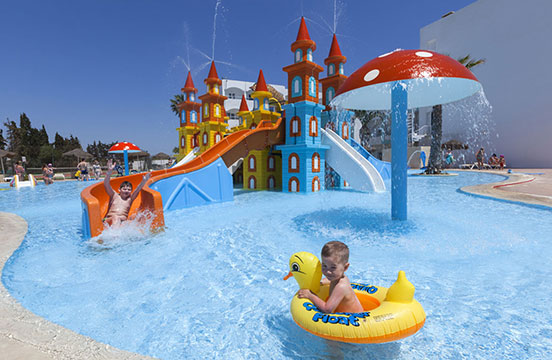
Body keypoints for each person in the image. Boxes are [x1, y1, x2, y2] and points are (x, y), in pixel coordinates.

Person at [297, 241, 363, 313]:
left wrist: (310, 295)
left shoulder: (341, 287)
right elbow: (330, 280)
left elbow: (327, 309)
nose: (328, 271)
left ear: (345, 267)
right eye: (324, 266)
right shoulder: (338, 277)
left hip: (355, 318)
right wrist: (321, 282)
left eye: (333, 267)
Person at [103, 159, 151, 226]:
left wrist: (143, 182)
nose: (126, 191)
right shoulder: (114, 195)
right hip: (110, 220)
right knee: (116, 218)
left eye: (129, 189)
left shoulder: (130, 199)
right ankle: (115, 235)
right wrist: (109, 172)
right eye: (124, 189)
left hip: (123, 221)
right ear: (119, 189)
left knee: (140, 217)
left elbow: (138, 189)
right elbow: (106, 184)